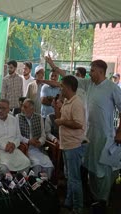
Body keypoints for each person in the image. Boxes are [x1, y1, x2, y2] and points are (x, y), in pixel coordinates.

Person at [46, 56, 121, 212]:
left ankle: (103, 201)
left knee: (102, 169)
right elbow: (70, 78)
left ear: (101, 72)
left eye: (92, 71)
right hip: (88, 135)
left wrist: (120, 132)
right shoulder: (89, 84)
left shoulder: (112, 87)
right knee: (91, 168)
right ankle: (94, 199)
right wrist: (53, 66)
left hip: (104, 136)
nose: (89, 73)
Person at [55, 75, 86, 214]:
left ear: (67, 87)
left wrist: (62, 122)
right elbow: (59, 119)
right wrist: (56, 106)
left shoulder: (77, 103)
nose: (60, 88)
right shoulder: (67, 101)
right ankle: (69, 201)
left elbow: (78, 124)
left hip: (74, 146)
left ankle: (78, 207)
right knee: (69, 176)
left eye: (62, 86)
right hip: (66, 144)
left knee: (75, 179)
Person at [0, 99, 30, 174]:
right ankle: (6, 184)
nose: (0, 110)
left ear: (8, 110)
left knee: (26, 163)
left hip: (12, 149)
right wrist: (4, 146)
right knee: (4, 168)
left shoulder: (13, 120)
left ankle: (18, 183)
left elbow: (18, 136)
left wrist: (13, 145)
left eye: (3, 108)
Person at [18, 99, 54, 176]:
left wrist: (40, 142)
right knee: (37, 165)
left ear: (32, 109)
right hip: (25, 149)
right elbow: (17, 136)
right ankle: (33, 185)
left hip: (38, 149)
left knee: (49, 164)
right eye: (22, 106)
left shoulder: (39, 117)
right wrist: (28, 141)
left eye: (25, 107)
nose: (22, 109)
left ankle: (45, 185)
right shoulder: (18, 117)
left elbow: (43, 135)